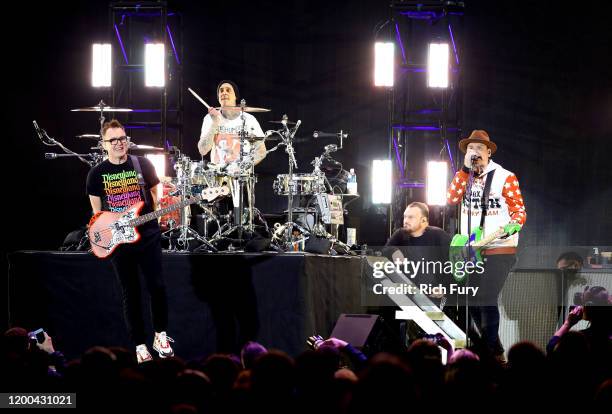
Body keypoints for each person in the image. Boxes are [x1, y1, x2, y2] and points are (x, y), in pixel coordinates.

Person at [86, 119, 174, 363]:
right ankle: (139, 346)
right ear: (104, 144)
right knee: (131, 293)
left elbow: (156, 192)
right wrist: (110, 230)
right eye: (113, 140)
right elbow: (96, 216)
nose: (118, 143)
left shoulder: (142, 164)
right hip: (119, 241)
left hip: (147, 235)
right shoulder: (96, 174)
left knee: (157, 286)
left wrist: (156, 214)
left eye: (122, 138)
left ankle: (160, 335)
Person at [446, 129, 527, 358]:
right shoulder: (464, 176)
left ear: (489, 152)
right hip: (472, 248)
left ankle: (489, 352)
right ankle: (493, 349)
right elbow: (451, 199)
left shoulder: (505, 176)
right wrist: (463, 171)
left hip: (499, 247)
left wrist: (514, 224)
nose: (474, 152)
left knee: (487, 296)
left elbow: (519, 211)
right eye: (470, 148)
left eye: (479, 148)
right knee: (470, 299)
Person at [198, 80, 266, 168]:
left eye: (228, 90)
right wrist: (214, 123)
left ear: (235, 96)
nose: (224, 93)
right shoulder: (209, 118)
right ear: (218, 97)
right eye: (221, 91)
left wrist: (241, 168)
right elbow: (203, 150)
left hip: (241, 177)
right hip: (217, 177)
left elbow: (261, 151)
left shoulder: (249, 119)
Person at [384, 202, 452, 287]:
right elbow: (385, 250)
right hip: (409, 291)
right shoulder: (400, 234)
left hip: (435, 293)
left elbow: (452, 265)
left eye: (411, 217)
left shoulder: (439, 235)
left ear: (423, 220)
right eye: (405, 217)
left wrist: (444, 287)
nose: (406, 221)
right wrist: (393, 251)